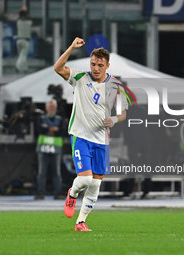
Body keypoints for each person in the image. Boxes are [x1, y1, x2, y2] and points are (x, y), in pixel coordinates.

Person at [54, 38, 128, 231]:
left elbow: (123, 114)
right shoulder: (79, 78)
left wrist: (114, 120)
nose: (96, 68)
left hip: (101, 140)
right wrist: (71, 47)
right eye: (93, 64)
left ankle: (80, 222)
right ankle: (72, 192)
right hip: (81, 136)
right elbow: (58, 67)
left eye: (100, 65)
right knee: (85, 180)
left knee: (95, 186)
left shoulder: (116, 87)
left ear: (107, 66)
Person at [36, 100, 64, 199]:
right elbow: (39, 130)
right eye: (50, 107)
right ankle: (40, 193)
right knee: (41, 172)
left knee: (57, 172)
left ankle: (58, 193)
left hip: (56, 149)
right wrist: (52, 130)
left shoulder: (60, 119)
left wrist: (47, 129)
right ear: (46, 108)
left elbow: (62, 131)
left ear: (56, 108)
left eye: (53, 107)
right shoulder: (41, 118)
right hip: (43, 148)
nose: (51, 108)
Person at [15, 7, 32, 73]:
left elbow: (19, 17)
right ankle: (18, 66)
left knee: (22, 55)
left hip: (18, 40)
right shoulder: (29, 22)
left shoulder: (18, 22)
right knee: (23, 55)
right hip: (25, 41)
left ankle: (25, 68)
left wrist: (22, 11)